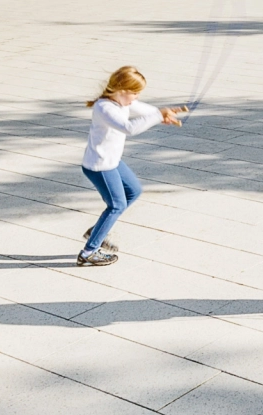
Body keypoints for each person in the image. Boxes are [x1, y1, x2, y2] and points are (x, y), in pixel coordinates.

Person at [78, 66, 186, 266]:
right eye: (134, 92)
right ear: (121, 89)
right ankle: (88, 252)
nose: (136, 98)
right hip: (99, 166)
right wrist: (157, 116)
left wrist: (165, 114)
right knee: (116, 205)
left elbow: (150, 112)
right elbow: (129, 128)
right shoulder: (104, 107)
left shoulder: (122, 102)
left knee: (133, 191)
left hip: (113, 162)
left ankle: (97, 230)